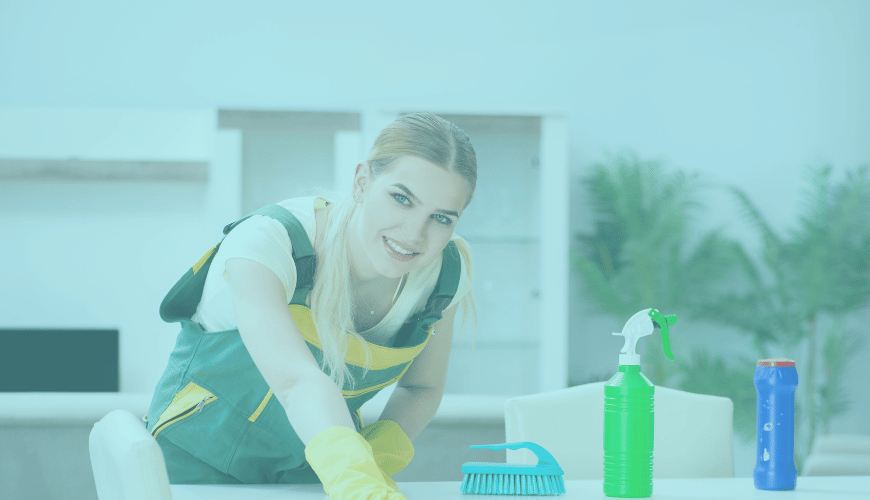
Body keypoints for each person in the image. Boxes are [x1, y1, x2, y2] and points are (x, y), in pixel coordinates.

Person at [145, 112, 478, 500]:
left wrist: (370, 464)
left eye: (441, 217)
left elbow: (422, 387)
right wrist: (355, 481)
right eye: (401, 199)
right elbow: (295, 380)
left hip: (313, 479)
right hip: (187, 473)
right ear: (362, 182)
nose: (415, 233)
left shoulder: (444, 275)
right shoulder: (268, 242)